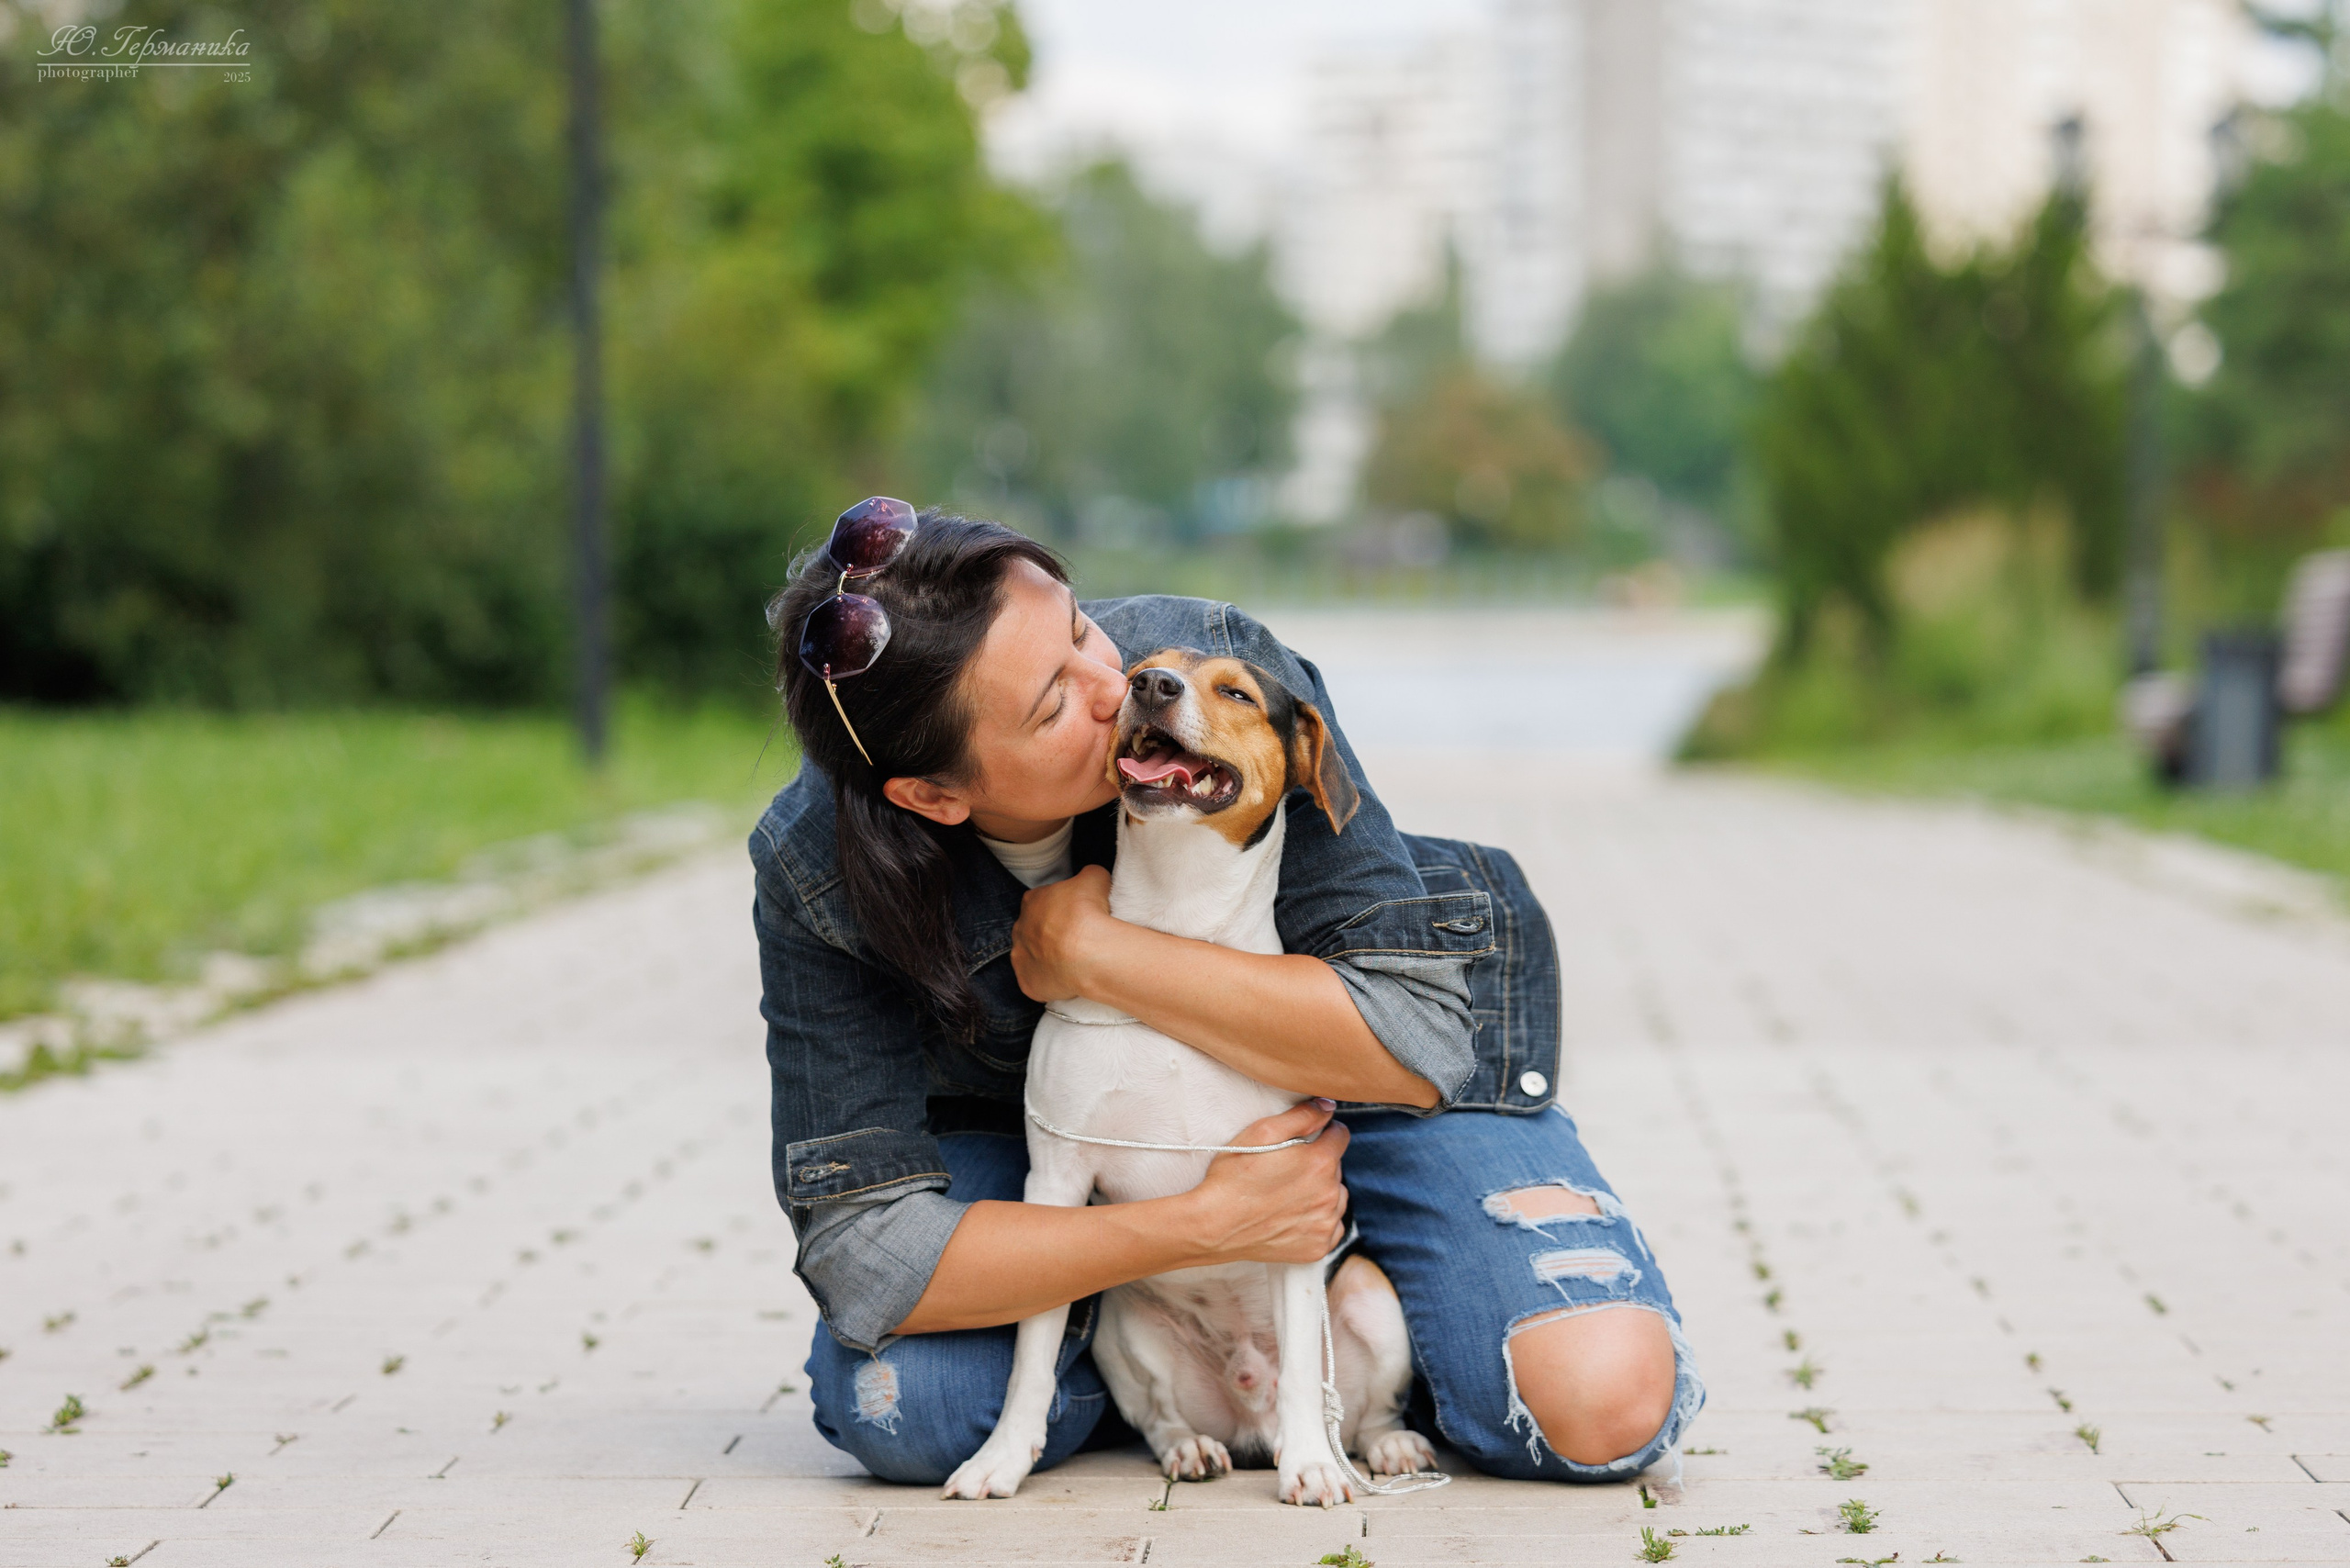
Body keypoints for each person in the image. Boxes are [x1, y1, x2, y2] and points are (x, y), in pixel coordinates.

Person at [753, 500, 1703, 1488]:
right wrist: (1204, 1227)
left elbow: (1413, 1037)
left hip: (1362, 1082)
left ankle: (1374, 1368)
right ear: (935, 797)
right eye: (1049, 708)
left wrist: (1095, 953)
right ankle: (1154, 1373)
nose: (1118, 685)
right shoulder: (817, 868)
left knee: (1600, 1397)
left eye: (1081, 628)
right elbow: (866, 1247)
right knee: (909, 1409)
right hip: (1066, 1149)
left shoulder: (1206, 667)